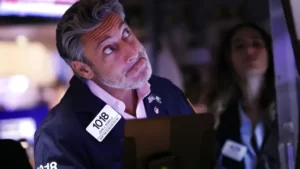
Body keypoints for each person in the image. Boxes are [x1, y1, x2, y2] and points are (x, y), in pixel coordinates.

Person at [34, 0, 195, 168]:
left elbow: (208, 157)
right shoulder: (58, 135)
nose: (132, 52)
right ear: (83, 69)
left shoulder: (166, 92)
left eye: (126, 34)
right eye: (109, 49)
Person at [204, 23, 279, 169]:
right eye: (239, 46)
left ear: (270, 52)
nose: (249, 51)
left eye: (257, 43)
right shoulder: (218, 116)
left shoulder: (288, 107)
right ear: (228, 58)